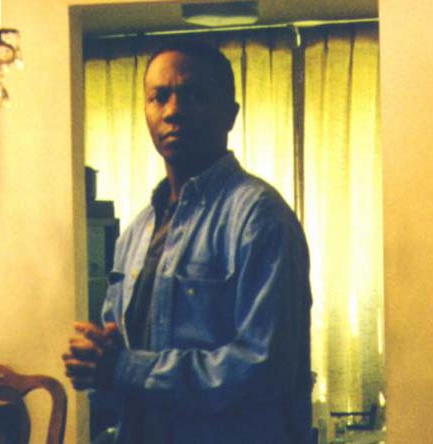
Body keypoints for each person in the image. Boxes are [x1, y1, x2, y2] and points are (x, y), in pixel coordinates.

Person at [63, 40, 312, 444]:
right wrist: (95, 363)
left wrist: (124, 368)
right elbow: (120, 361)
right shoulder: (136, 232)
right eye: (159, 97)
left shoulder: (259, 217)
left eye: (194, 96)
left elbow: (264, 368)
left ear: (230, 115)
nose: (173, 111)